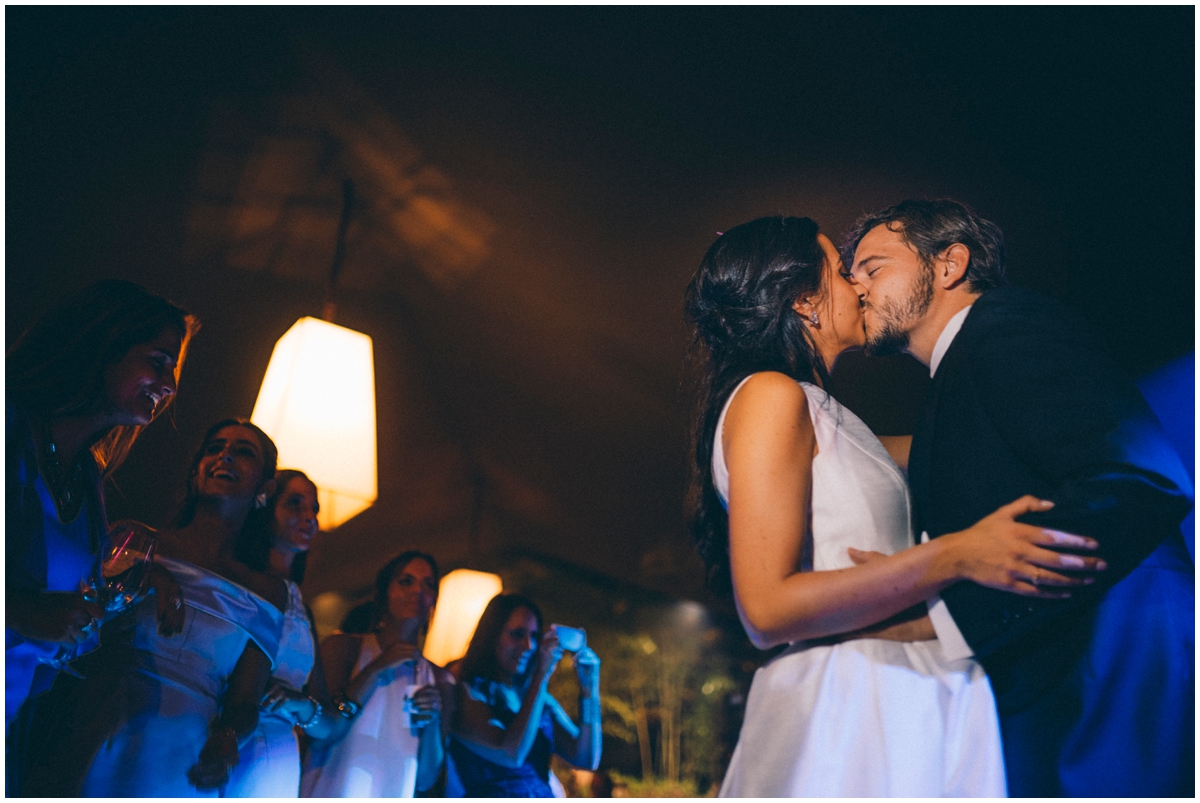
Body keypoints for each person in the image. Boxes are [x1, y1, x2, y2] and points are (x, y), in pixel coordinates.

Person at [683, 216, 1106, 796]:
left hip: (914, 690)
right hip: (848, 707)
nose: (858, 285)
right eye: (840, 270)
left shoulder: (834, 419)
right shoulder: (768, 396)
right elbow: (766, 608)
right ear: (805, 300)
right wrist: (956, 555)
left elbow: (964, 444)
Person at [843, 199, 1194, 796]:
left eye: (873, 269)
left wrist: (948, 616)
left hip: (1107, 673)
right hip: (1061, 678)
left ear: (950, 264)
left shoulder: (1007, 327)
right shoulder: (958, 374)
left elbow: (1140, 480)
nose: (857, 289)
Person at [23, 420, 288, 796]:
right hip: (100, 721)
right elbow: (72, 624)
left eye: (244, 451)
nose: (224, 455)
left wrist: (229, 737)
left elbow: (244, 701)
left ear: (265, 488)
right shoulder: (134, 539)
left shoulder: (268, 590)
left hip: (186, 750)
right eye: (214, 447)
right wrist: (149, 576)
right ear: (196, 474)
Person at [5, 280, 198, 793]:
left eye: (172, 369)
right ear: (102, 345)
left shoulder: (86, 479)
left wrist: (136, 579)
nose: (169, 384)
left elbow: (66, 601)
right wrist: (22, 612)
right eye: (158, 360)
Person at [302, 551, 452, 797]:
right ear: (383, 594)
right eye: (406, 581)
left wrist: (433, 722)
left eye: (428, 584)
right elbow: (320, 738)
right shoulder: (344, 648)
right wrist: (375, 670)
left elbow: (424, 780)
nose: (418, 591)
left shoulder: (438, 678)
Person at [224, 469, 337, 797]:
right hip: (222, 740)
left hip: (278, 759)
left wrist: (303, 706)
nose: (308, 517)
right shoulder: (236, 582)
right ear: (265, 508)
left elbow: (328, 721)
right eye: (295, 504)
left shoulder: (302, 607)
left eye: (314, 509)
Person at [448, 593, 602, 797]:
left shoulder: (536, 696)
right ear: (491, 635)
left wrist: (590, 689)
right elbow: (510, 753)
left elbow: (586, 758)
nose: (528, 646)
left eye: (534, 637)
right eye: (517, 634)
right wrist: (541, 674)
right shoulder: (465, 691)